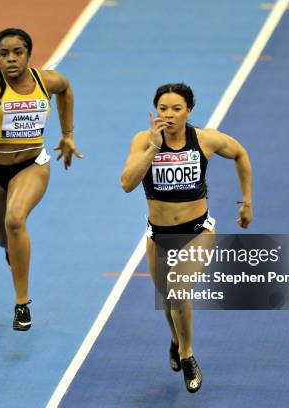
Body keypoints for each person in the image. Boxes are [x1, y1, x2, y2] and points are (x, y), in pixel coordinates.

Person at [120, 83, 252, 393]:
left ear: (188, 111)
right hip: (158, 236)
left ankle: (187, 354)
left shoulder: (204, 140)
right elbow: (127, 183)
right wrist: (154, 147)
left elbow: (240, 154)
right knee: (168, 301)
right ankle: (177, 339)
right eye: (163, 108)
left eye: (176, 109)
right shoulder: (143, 141)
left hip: (197, 233)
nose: (169, 115)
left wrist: (247, 201)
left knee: (178, 292)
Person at [0, 28, 82, 331]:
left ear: (29, 54)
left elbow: (65, 89)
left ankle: (22, 303)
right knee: (2, 236)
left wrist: (67, 133)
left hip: (31, 165)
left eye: (18, 52)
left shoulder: (45, 81)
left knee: (15, 220)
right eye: (4, 54)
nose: (11, 59)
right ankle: (10, 251)